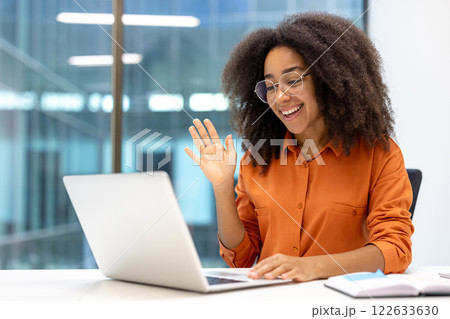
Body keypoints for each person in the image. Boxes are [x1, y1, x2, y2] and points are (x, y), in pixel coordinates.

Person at [184, 12, 414, 282]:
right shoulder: (258, 158)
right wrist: (222, 187)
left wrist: (314, 267)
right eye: (270, 86)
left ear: (329, 78)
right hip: (273, 303)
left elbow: (394, 250)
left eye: (293, 80)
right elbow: (242, 259)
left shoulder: (380, 155)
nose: (280, 97)